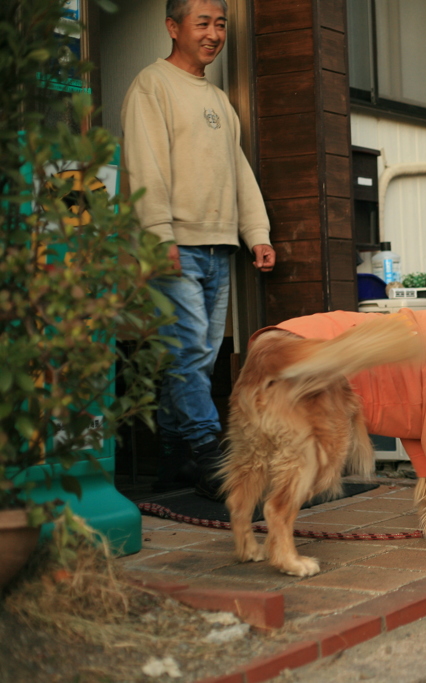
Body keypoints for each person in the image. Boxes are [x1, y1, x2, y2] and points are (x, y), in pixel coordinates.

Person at [121, 0, 276, 498]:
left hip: (217, 247)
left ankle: (173, 462)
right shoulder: (153, 85)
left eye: (220, 25)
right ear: (173, 27)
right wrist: (159, 236)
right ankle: (212, 457)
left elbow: (238, 171)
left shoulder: (217, 99)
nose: (213, 33)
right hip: (177, 246)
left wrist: (257, 233)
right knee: (188, 354)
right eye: (202, 23)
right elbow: (144, 167)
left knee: (196, 359)